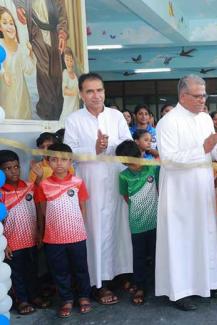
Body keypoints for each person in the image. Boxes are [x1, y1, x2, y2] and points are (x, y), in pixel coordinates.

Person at [155, 74, 217, 311]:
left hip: (202, 189)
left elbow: (209, 154)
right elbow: (169, 161)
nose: (203, 100)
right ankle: (180, 291)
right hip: (179, 192)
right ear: (183, 96)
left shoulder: (204, 120)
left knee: (204, 235)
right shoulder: (168, 122)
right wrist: (204, 148)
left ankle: (206, 283)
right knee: (181, 240)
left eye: (205, 95)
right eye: (198, 96)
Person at [64, 72, 133, 304]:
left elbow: (127, 143)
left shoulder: (115, 116)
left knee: (118, 226)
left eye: (100, 90)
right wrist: (93, 147)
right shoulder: (74, 119)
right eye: (90, 91)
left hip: (115, 178)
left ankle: (120, 274)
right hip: (90, 181)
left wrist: (114, 147)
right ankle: (98, 282)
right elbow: (68, 152)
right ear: (82, 94)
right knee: (95, 229)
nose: (96, 95)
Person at [35, 143, 92, 318]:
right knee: (60, 271)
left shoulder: (78, 183)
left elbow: (83, 208)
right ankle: (66, 299)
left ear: (70, 162)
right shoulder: (43, 185)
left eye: (64, 159)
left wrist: (81, 229)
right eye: (54, 159)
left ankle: (83, 296)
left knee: (81, 268)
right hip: (53, 239)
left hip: (77, 236)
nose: (59, 163)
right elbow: (42, 211)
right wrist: (41, 232)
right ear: (48, 162)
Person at [0, 150, 50, 315]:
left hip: (31, 239)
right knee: (16, 274)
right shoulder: (1, 193)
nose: (14, 171)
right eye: (8, 168)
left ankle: (34, 296)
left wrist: (40, 232)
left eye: (16, 166)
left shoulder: (29, 186)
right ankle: (21, 300)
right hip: (12, 243)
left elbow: (38, 209)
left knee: (32, 270)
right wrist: (3, 244)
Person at [116, 140, 159, 306]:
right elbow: (126, 197)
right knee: (139, 257)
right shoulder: (123, 175)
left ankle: (159, 284)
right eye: (128, 163)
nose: (133, 166)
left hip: (155, 222)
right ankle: (140, 286)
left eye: (135, 160)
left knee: (157, 254)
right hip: (136, 225)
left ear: (140, 154)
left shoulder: (152, 168)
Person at [12, 0, 68, 120]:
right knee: (42, 71)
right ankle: (46, 110)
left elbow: (62, 15)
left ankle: (56, 111)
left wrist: (62, 34)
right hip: (36, 32)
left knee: (56, 74)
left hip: (54, 35)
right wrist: (19, 7)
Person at [0, 5, 36, 120]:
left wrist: (30, 51)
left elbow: (29, 69)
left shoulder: (20, 48)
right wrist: (3, 73)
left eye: (11, 23)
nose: (10, 26)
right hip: (5, 100)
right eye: (5, 23)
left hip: (22, 99)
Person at [59, 47, 79, 121]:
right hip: (68, 106)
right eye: (67, 59)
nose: (69, 62)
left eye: (71, 59)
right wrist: (76, 92)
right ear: (64, 60)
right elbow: (65, 91)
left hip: (75, 105)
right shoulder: (65, 73)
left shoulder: (75, 75)